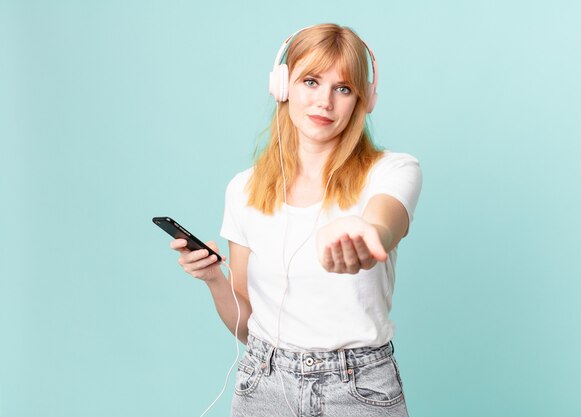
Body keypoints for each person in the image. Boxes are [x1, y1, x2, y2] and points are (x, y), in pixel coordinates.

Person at [170, 23, 422, 417]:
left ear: (362, 100)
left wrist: (369, 234)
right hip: (265, 382)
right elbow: (245, 324)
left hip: (359, 388)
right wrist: (213, 279)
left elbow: (386, 220)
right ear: (282, 85)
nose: (325, 101)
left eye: (343, 88)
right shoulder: (244, 190)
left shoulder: (391, 171)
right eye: (310, 81)